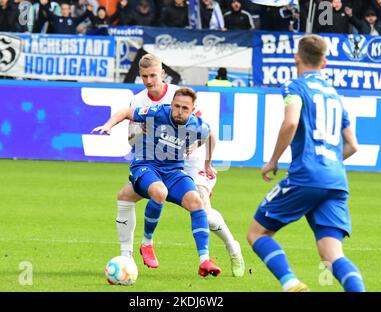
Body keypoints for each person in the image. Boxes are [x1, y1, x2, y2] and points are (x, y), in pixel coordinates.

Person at [246, 34, 365, 292]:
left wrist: (273, 161)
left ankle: (290, 284)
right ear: (325, 63)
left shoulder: (295, 86)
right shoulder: (335, 95)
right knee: (332, 256)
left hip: (306, 174)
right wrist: (328, 163)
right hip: (336, 179)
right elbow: (353, 145)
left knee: (257, 233)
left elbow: (291, 122)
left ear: (296, 58)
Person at [113, 54, 245, 277]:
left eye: (153, 75)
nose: (149, 81)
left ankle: (233, 247)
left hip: (189, 163)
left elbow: (204, 129)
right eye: (144, 76)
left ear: (162, 73)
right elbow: (131, 139)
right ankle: (126, 258)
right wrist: (140, 132)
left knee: (203, 210)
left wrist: (202, 155)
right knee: (125, 197)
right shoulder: (138, 101)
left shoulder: (179, 96)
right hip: (155, 162)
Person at [91, 88, 222, 277]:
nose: (178, 111)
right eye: (176, 106)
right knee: (160, 192)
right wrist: (108, 125)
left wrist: (207, 163)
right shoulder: (158, 112)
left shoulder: (197, 126)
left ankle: (205, 261)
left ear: (193, 110)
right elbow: (127, 112)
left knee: (197, 202)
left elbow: (210, 136)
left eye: (185, 108)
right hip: (146, 165)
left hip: (174, 171)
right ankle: (147, 243)